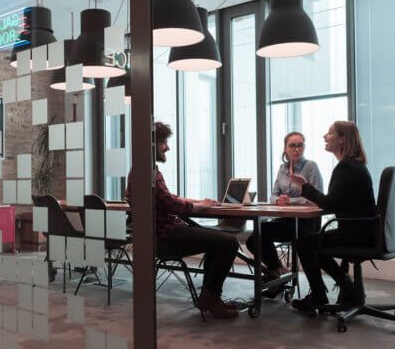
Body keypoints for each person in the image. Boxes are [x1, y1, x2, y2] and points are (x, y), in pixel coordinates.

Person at [125, 122, 240, 319]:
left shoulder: (143, 169)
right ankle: (211, 298)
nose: (167, 147)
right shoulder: (146, 171)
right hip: (166, 237)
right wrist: (200, 206)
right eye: (164, 142)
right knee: (229, 243)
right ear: (153, 144)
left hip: (159, 235)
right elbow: (171, 204)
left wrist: (199, 202)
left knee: (217, 241)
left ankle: (210, 297)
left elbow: (168, 197)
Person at [288, 121, 377, 313]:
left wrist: (304, 186)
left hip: (356, 234)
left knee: (304, 244)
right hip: (364, 231)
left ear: (342, 139)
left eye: (330, 133)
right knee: (313, 243)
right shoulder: (353, 165)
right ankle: (344, 286)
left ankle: (322, 294)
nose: (324, 136)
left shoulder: (346, 168)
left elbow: (329, 204)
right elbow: (336, 202)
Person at [244, 132, 323, 292]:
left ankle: (279, 277)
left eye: (300, 145)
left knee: (264, 234)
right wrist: (277, 200)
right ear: (285, 148)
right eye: (292, 146)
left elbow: (317, 197)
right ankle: (278, 270)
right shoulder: (282, 168)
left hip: (306, 223)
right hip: (286, 220)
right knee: (254, 239)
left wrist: (290, 201)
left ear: (304, 147)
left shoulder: (310, 166)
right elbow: (273, 195)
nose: (296, 149)